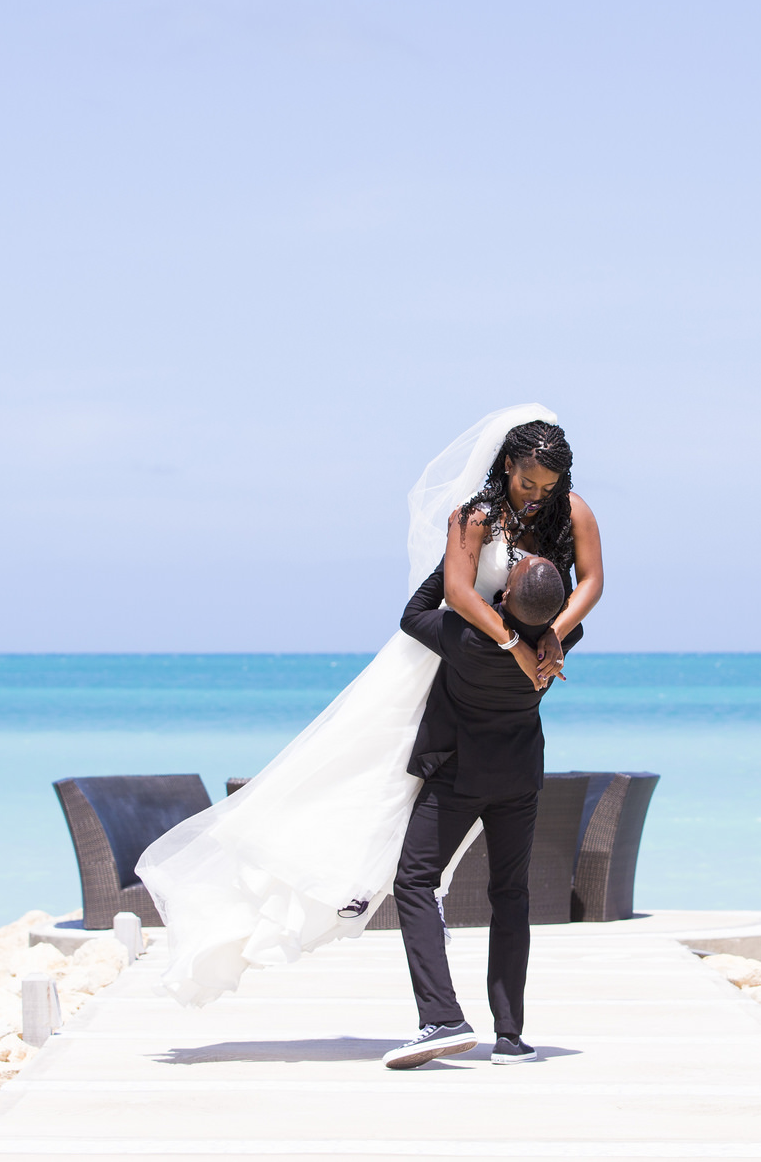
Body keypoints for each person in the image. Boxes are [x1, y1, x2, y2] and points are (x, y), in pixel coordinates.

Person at [134, 404, 604, 1010]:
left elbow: (589, 581)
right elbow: (459, 593)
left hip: (483, 658)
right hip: (464, 647)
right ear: (506, 465)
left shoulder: (571, 511)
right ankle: (484, 1018)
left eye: (548, 487)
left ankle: (447, 1014)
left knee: (430, 861)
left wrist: (552, 634)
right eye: (527, 483)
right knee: (368, 768)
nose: (537, 498)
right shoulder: (476, 518)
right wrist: (515, 641)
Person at [379, 553, 579, 1069]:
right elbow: (567, 606)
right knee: (511, 894)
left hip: (460, 777)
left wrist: (458, 559)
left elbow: (414, 611)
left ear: (504, 596)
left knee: (415, 880)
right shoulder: (560, 643)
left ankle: (442, 1017)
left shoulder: (464, 635)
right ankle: (510, 1037)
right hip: (520, 779)